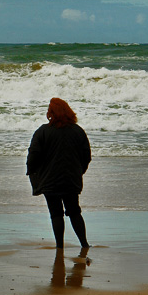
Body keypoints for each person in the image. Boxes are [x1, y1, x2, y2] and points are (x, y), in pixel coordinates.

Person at [26, 97, 91, 249]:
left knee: (56, 214)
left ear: (51, 113)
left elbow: (33, 156)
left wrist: (32, 173)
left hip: (49, 181)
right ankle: (84, 244)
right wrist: (79, 172)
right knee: (74, 211)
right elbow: (86, 156)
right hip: (71, 180)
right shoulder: (78, 131)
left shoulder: (42, 132)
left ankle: (60, 247)